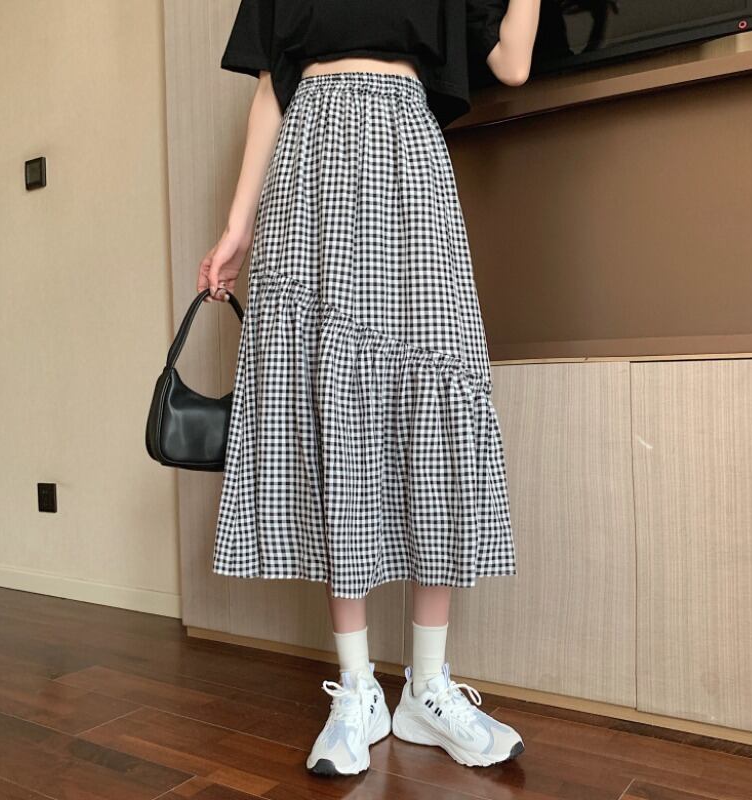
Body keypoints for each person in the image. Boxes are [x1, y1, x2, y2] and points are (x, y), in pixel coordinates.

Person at [197, 0, 541, 777]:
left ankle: (428, 687)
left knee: (437, 398)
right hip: (310, 165)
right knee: (333, 403)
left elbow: (512, 62)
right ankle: (357, 688)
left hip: (408, 162)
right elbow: (271, 85)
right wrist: (237, 226)